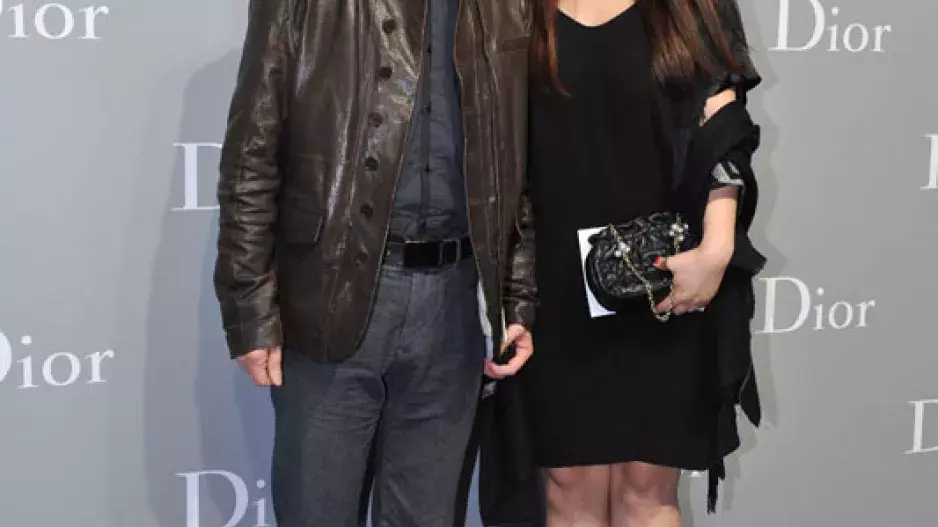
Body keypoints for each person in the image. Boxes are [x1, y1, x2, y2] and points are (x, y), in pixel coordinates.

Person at [212, 1, 536, 525]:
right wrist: (249, 306)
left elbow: (515, 162)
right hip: (328, 293)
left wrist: (515, 294)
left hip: (454, 308)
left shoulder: (505, 7)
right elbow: (252, 154)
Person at [518, 0, 764, 525]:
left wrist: (715, 251)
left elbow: (724, 128)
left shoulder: (691, 7)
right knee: (568, 485)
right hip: (554, 287)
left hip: (663, 276)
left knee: (646, 488)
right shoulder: (515, 9)